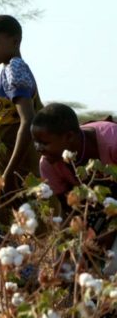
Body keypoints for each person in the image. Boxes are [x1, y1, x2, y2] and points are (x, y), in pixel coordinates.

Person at [32, 103, 117, 248]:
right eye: (36, 142)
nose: (38, 149)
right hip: (102, 211)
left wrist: (112, 230)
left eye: (44, 143)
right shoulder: (48, 164)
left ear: (69, 137)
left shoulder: (112, 142)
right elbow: (71, 210)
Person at [0, 15, 43, 204]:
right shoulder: (9, 70)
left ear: (15, 41)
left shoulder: (14, 70)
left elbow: (28, 121)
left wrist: (8, 174)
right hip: (8, 167)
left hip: (14, 171)